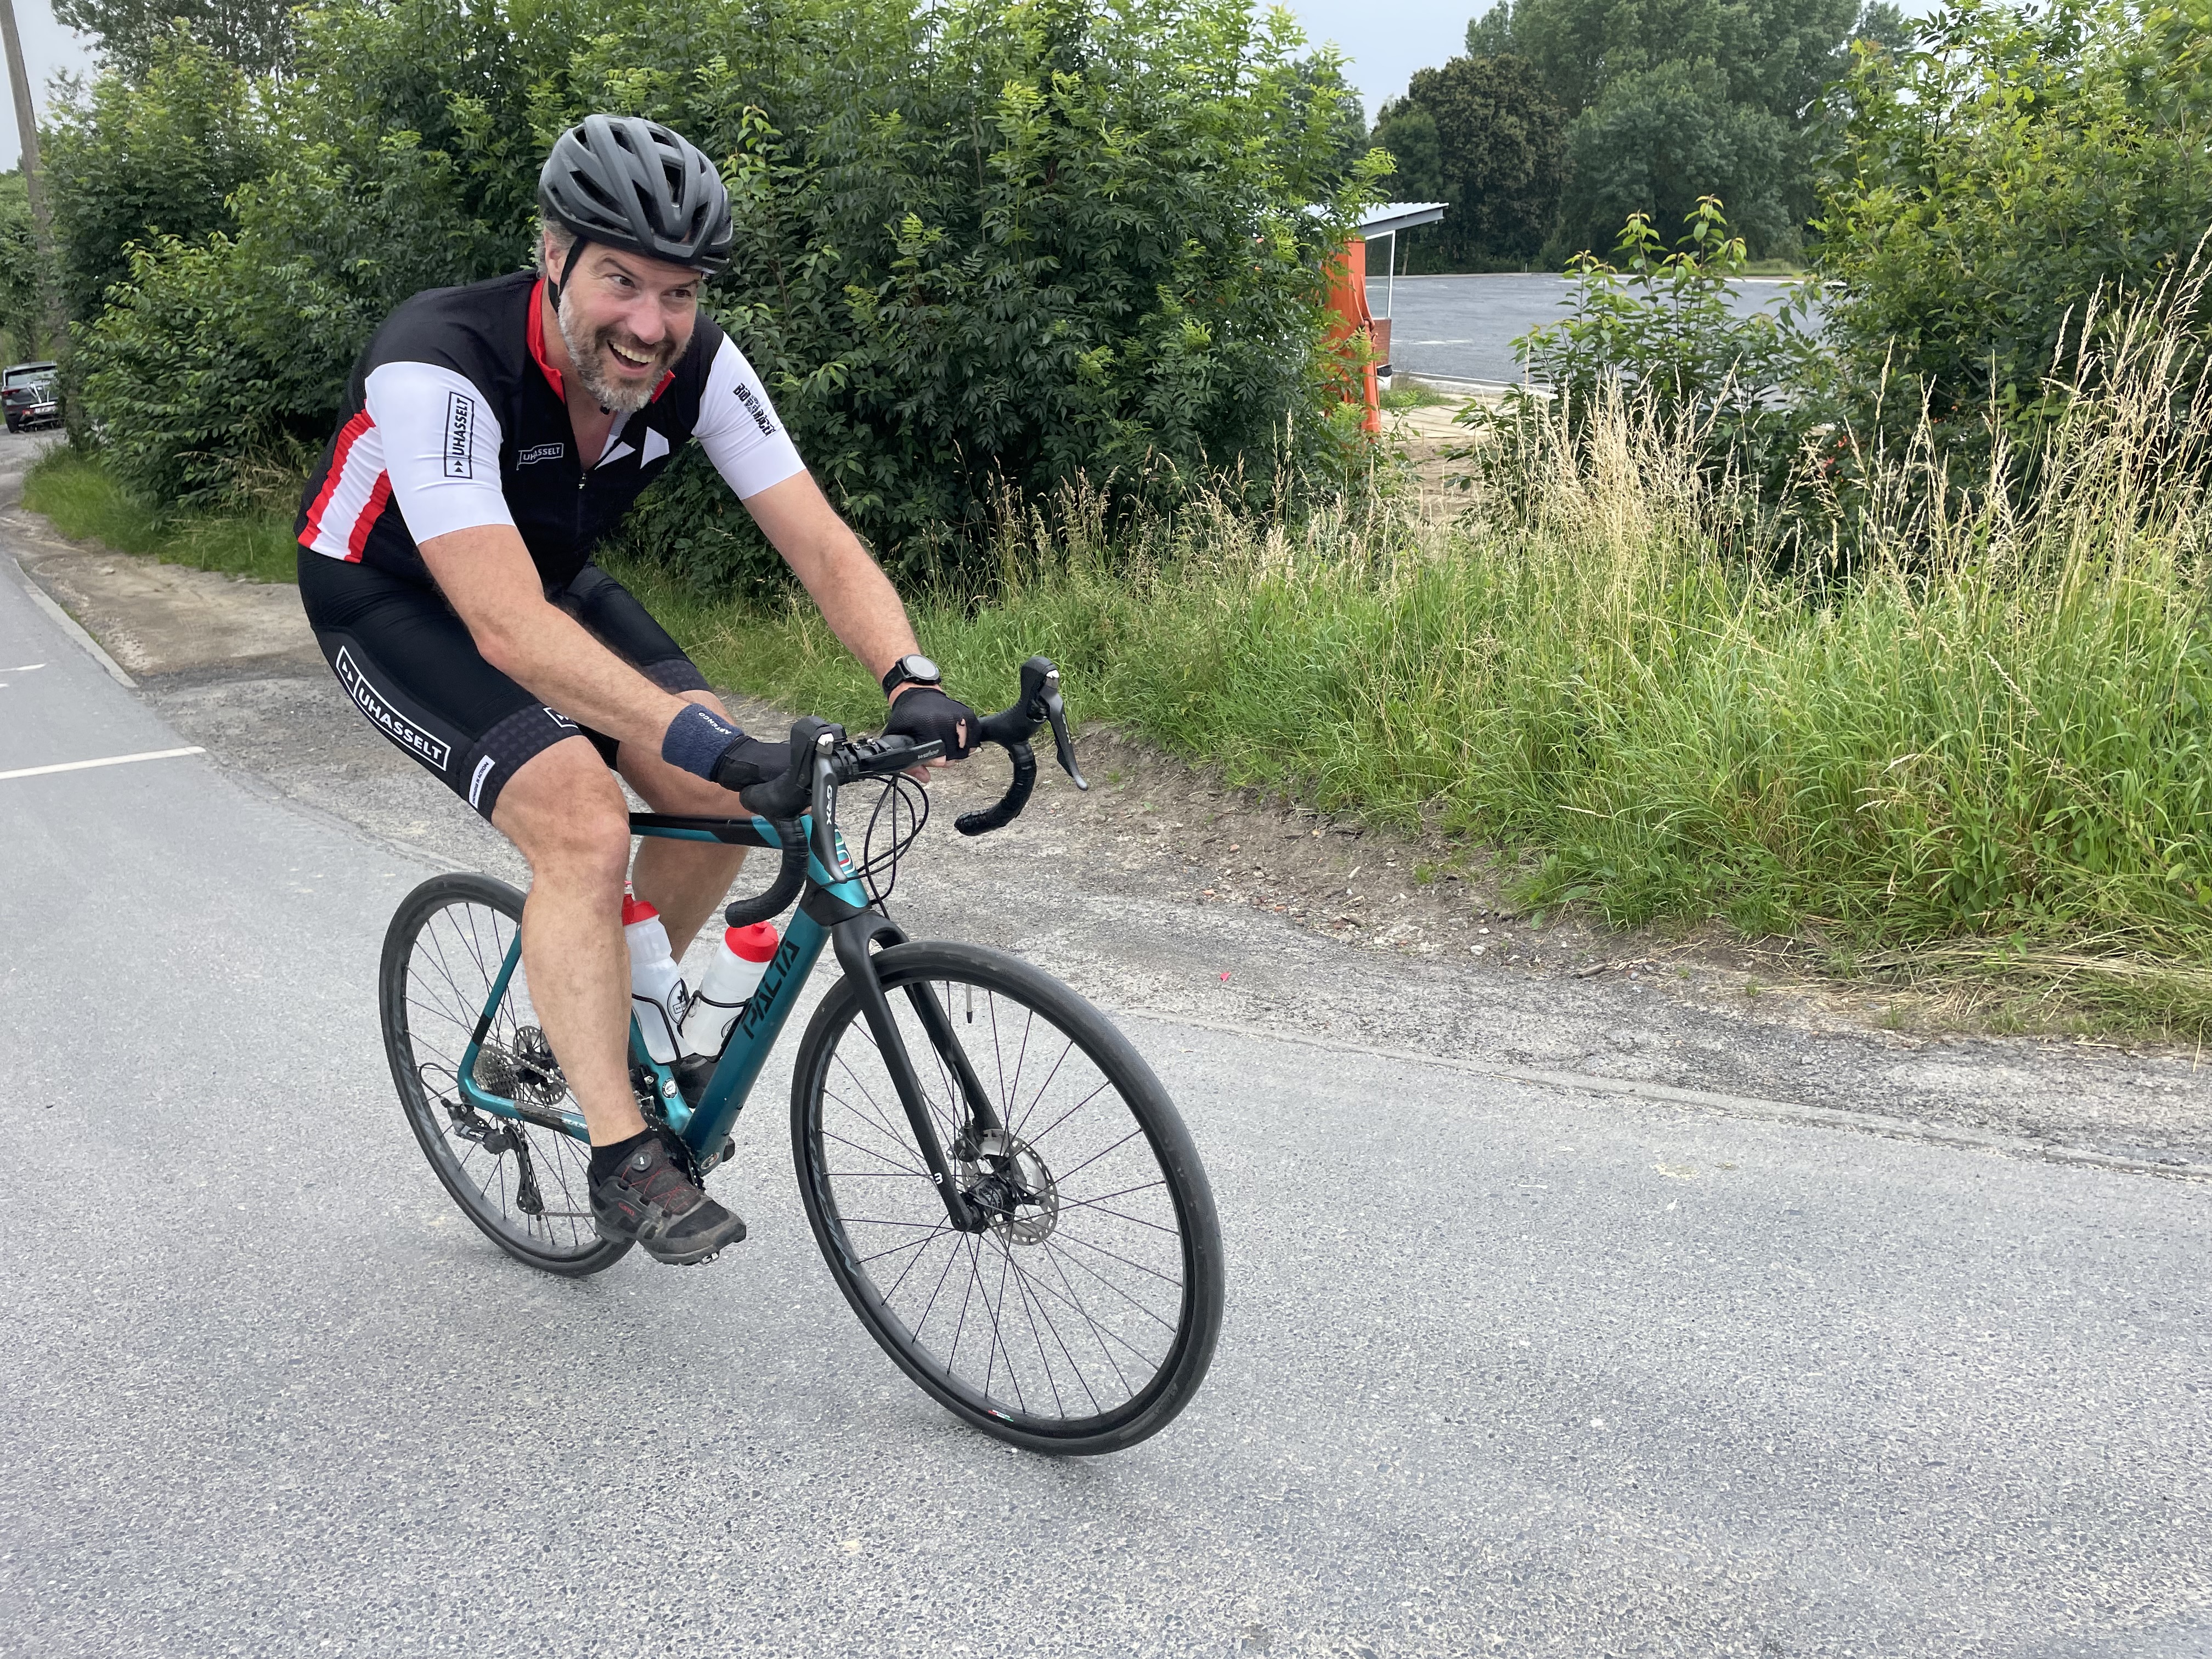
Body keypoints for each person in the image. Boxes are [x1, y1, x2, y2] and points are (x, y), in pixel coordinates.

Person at [295, 115, 977, 1265]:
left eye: (680, 293)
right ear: (553, 255)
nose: (651, 325)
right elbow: (504, 627)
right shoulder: (439, 361)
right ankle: (621, 1158)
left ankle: (605, 1021)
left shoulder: (697, 364)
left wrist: (910, 678)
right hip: (390, 595)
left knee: (720, 797)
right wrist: (701, 737)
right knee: (582, 821)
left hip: (548, 580)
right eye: (621, 280)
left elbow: (819, 542)